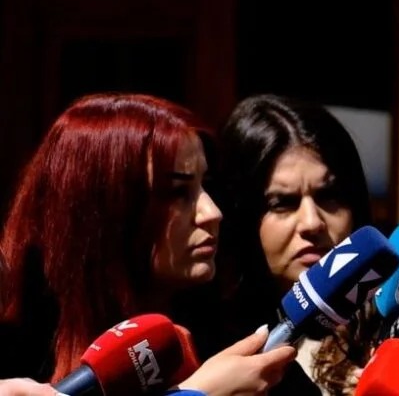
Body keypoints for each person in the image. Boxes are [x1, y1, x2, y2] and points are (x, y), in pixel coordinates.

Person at [0, 93, 294, 393]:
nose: (212, 212)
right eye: (177, 192)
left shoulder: (230, 338)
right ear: (105, 209)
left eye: (205, 185)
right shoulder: (16, 351)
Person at [215, 94, 376, 395]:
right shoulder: (204, 347)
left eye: (330, 196)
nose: (312, 223)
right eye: (283, 203)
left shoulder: (387, 335)